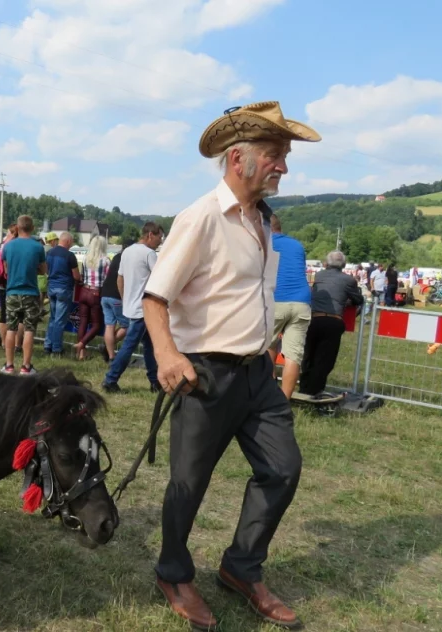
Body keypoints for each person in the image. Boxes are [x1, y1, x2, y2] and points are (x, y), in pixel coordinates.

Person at [142, 101, 318, 630]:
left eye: (284, 156)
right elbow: (155, 297)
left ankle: (241, 567)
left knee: (283, 468)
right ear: (237, 158)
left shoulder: (260, 219)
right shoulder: (200, 218)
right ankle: (173, 572)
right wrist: (169, 356)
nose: (283, 166)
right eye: (274, 155)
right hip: (206, 375)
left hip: (257, 373)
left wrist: (266, 348)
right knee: (188, 482)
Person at [101, 223, 163, 393]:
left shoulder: (127, 251)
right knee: (129, 346)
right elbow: (160, 280)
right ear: (150, 234)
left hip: (132, 307)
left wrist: (126, 299)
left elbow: (120, 279)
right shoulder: (150, 254)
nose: (160, 241)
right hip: (143, 309)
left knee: (149, 346)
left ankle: (155, 381)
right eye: (159, 237)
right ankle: (110, 379)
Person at [297, 250, 364, 400]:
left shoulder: (319, 275)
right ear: (344, 264)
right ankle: (315, 391)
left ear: (326, 263)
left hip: (313, 319)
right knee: (325, 360)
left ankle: (304, 388)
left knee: (309, 355)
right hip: (333, 321)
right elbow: (358, 299)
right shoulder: (349, 280)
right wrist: (347, 301)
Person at [268, 213, 310, 400]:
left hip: (277, 300)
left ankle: (266, 395)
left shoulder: (265, 243)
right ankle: (283, 402)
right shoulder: (297, 245)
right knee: (293, 355)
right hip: (302, 302)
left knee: (268, 346)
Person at [0, 215, 46, 375]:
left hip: (12, 291)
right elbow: (43, 270)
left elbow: (5, 269)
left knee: (11, 329)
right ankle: (26, 366)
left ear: (17, 228)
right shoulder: (38, 247)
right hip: (31, 292)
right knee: (29, 330)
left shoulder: (8, 246)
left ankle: (9, 365)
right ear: (32, 228)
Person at [43, 231, 79, 356]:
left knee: (52, 318)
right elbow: (76, 276)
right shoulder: (70, 256)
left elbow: (46, 269)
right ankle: (57, 348)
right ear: (68, 241)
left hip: (51, 287)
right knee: (59, 320)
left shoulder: (49, 253)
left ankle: (48, 344)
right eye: (72, 242)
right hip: (64, 289)